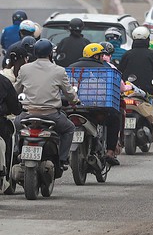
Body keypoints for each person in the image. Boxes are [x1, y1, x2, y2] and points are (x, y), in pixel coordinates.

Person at [14, 39, 78, 169]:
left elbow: (16, 90)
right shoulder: (59, 70)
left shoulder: (24, 69)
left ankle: (15, 152)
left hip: (27, 115)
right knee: (69, 128)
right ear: (50, 54)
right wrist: (75, 101)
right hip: (51, 115)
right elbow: (69, 92)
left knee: (14, 127)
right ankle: (62, 160)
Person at [68, 43, 122, 165]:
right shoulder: (106, 68)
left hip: (75, 107)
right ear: (96, 56)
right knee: (114, 118)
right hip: (98, 108)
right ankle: (110, 151)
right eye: (101, 55)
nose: (102, 57)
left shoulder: (72, 67)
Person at [118, 26, 153, 96]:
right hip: (148, 92)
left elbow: (119, 73)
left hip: (128, 92)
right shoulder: (152, 55)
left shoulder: (127, 55)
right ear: (148, 39)